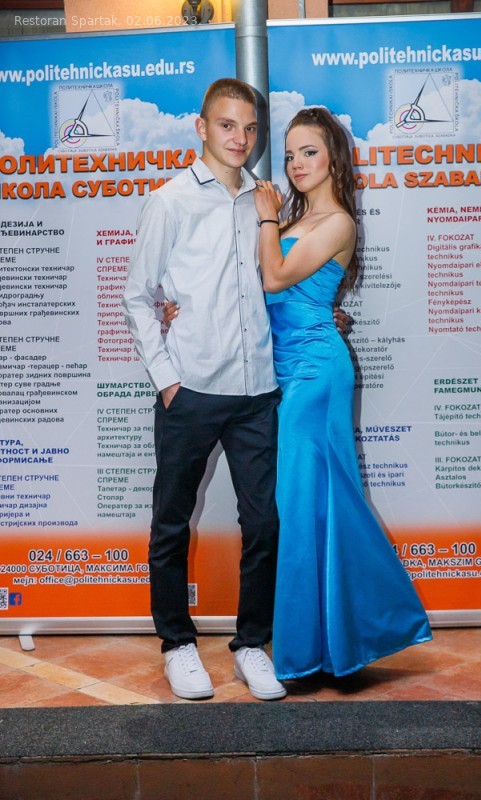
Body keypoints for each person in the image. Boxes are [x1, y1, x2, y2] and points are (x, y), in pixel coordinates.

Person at [252, 107, 432, 680]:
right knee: (311, 506)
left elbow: (275, 277)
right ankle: (330, 646)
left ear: (334, 157)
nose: (296, 164)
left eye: (308, 152)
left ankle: (311, 652)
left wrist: (265, 219)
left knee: (305, 505)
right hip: (286, 369)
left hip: (315, 376)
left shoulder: (337, 221)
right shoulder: (299, 216)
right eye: (289, 155)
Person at [122, 78, 287, 701]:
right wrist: (168, 382)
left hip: (257, 389)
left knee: (263, 523)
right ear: (201, 127)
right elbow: (138, 296)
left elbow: (278, 277)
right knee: (171, 522)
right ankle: (177, 644)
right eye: (227, 124)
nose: (240, 138)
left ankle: (251, 645)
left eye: (249, 127)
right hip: (191, 389)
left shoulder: (265, 199)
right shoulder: (170, 201)